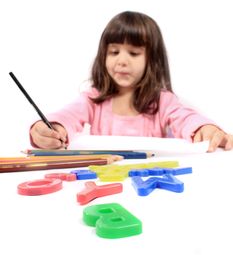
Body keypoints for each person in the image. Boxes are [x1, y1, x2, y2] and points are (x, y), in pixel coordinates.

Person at [30, 11, 233, 152]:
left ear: (152, 59)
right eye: (114, 52)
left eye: (134, 53)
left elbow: (186, 118)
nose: (122, 61)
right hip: (106, 180)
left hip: (151, 182)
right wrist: (50, 129)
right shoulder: (93, 98)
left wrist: (204, 129)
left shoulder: (162, 101)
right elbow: (68, 115)